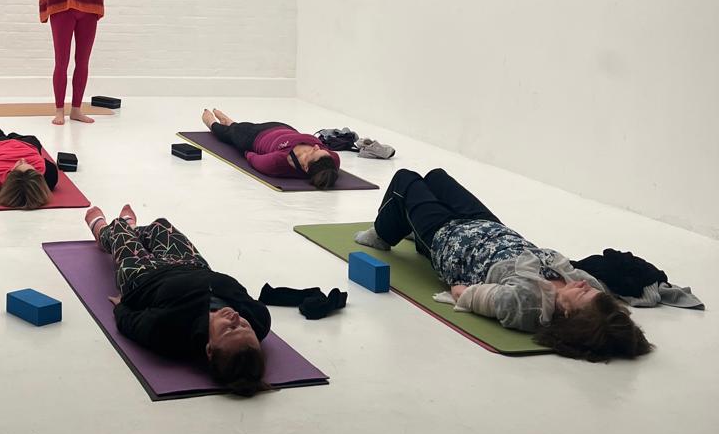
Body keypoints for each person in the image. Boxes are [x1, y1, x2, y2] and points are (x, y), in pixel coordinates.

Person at [356, 167, 652, 361]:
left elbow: (474, 296)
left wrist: (459, 289)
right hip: (489, 226)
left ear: (569, 313)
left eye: (585, 295)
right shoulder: (578, 284)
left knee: (405, 180)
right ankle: (411, 231)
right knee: (436, 177)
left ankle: (383, 235)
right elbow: (609, 296)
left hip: (452, 241)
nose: (586, 285)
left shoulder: (526, 304)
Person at [85, 204, 270, 394]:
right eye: (245, 327)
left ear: (209, 348)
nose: (236, 317)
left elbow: (133, 324)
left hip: (144, 277)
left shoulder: (172, 332)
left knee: (118, 228)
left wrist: (121, 307)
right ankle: (131, 230)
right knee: (160, 225)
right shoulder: (259, 319)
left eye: (230, 328)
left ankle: (104, 232)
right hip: (191, 264)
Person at [202, 108, 340, 188]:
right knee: (238, 128)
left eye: (313, 152)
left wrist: (244, 151)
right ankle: (231, 123)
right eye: (320, 149)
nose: (316, 146)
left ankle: (212, 122)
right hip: (283, 127)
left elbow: (255, 159)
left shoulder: (279, 163)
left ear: (305, 168)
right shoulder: (331, 160)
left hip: (254, 138)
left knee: (227, 134)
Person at [0, 116, 59, 210]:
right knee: (30, 138)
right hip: (24, 144)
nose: (22, 159)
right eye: (29, 165)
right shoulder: (49, 175)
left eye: (19, 164)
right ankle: (1, 134)